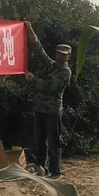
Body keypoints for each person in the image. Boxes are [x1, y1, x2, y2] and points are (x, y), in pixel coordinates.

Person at [23, 21, 72, 179]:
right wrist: (30, 30)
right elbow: (40, 51)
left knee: (53, 142)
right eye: (58, 54)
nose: (60, 57)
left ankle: (55, 171)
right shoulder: (52, 65)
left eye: (63, 55)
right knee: (39, 141)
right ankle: (41, 167)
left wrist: (32, 79)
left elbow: (50, 86)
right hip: (40, 109)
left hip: (52, 111)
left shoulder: (65, 72)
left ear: (68, 57)